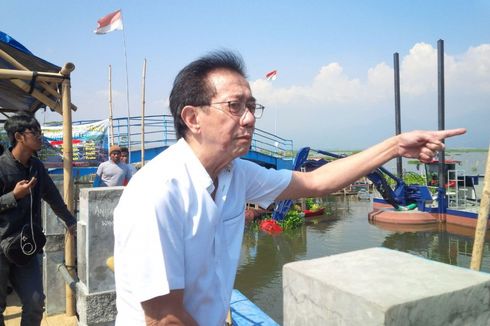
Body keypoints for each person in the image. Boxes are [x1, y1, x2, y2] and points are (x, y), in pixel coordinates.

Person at [113, 50, 466, 326]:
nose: (249, 118)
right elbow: (163, 318)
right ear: (192, 119)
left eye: (251, 106)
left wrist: (394, 146)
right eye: (235, 106)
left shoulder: (236, 174)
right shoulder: (157, 192)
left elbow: (314, 181)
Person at [0, 112, 77, 325]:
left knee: (35, 303)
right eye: (34, 132)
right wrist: (13, 196)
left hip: (27, 247)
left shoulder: (37, 168)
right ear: (19, 136)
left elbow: (53, 198)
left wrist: (70, 222)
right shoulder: (1, 167)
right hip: (1, 247)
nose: (39, 136)